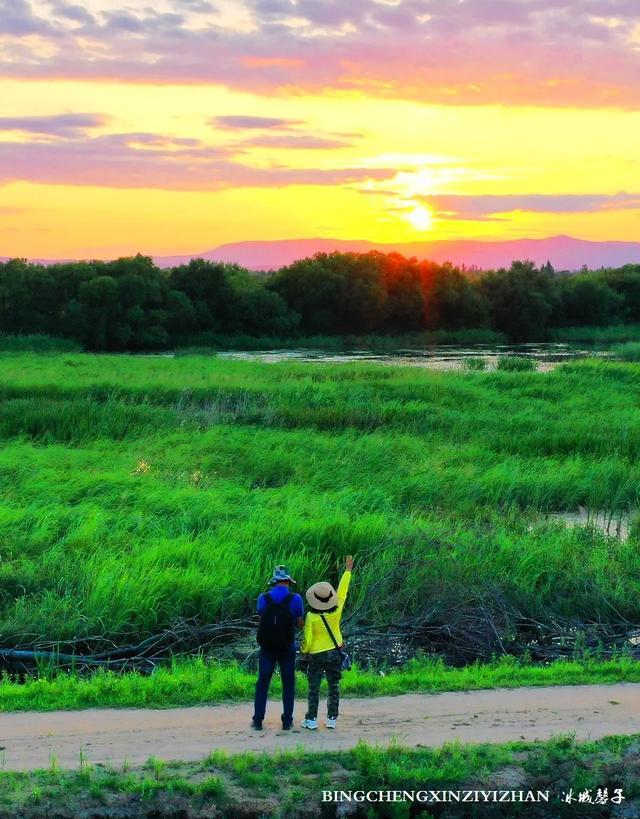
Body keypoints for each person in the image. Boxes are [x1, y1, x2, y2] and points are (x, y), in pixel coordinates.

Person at [300, 555, 353, 730]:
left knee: (314, 687)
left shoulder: (311, 616)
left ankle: (312, 720)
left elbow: (307, 639)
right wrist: (347, 571)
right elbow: (343, 590)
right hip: (334, 652)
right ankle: (331, 719)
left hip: (316, 654)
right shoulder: (336, 610)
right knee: (334, 685)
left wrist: (304, 651)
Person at [252, 565, 304, 731]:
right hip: (287, 647)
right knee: (288, 683)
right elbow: (300, 623)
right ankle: (287, 721)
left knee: (262, 683)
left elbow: (261, 618)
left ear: (274, 581)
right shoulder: (295, 599)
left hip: (267, 648)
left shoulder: (263, 597)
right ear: (288, 581)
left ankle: (258, 720)